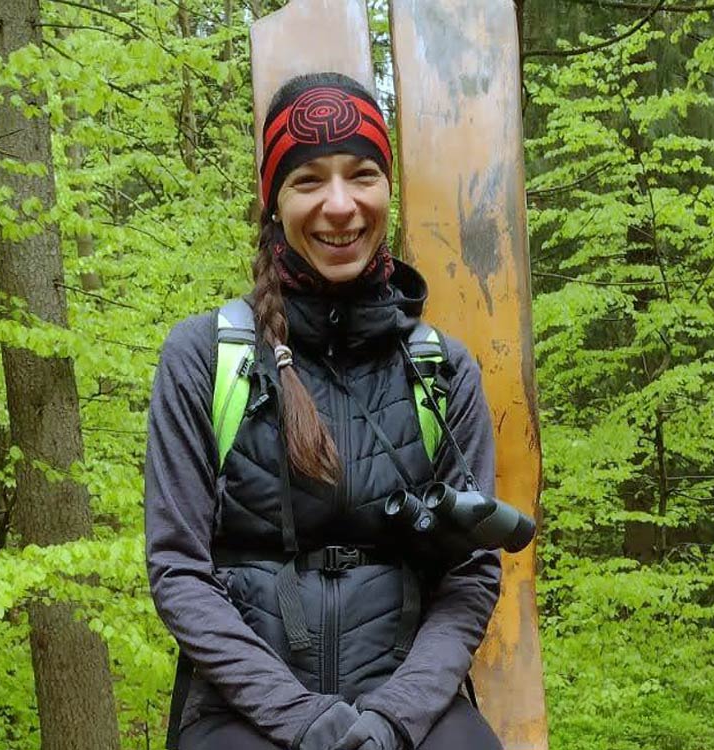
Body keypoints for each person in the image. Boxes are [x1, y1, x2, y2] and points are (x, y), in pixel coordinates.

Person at [145, 73, 504, 750]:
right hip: (244, 710)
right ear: (273, 202)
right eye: (308, 180)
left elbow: (472, 573)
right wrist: (306, 721)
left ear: (386, 190)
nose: (339, 205)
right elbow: (179, 570)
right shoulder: (205, 358)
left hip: (409, 705)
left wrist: (393, 719)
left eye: (361, 174)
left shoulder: (441, 371)